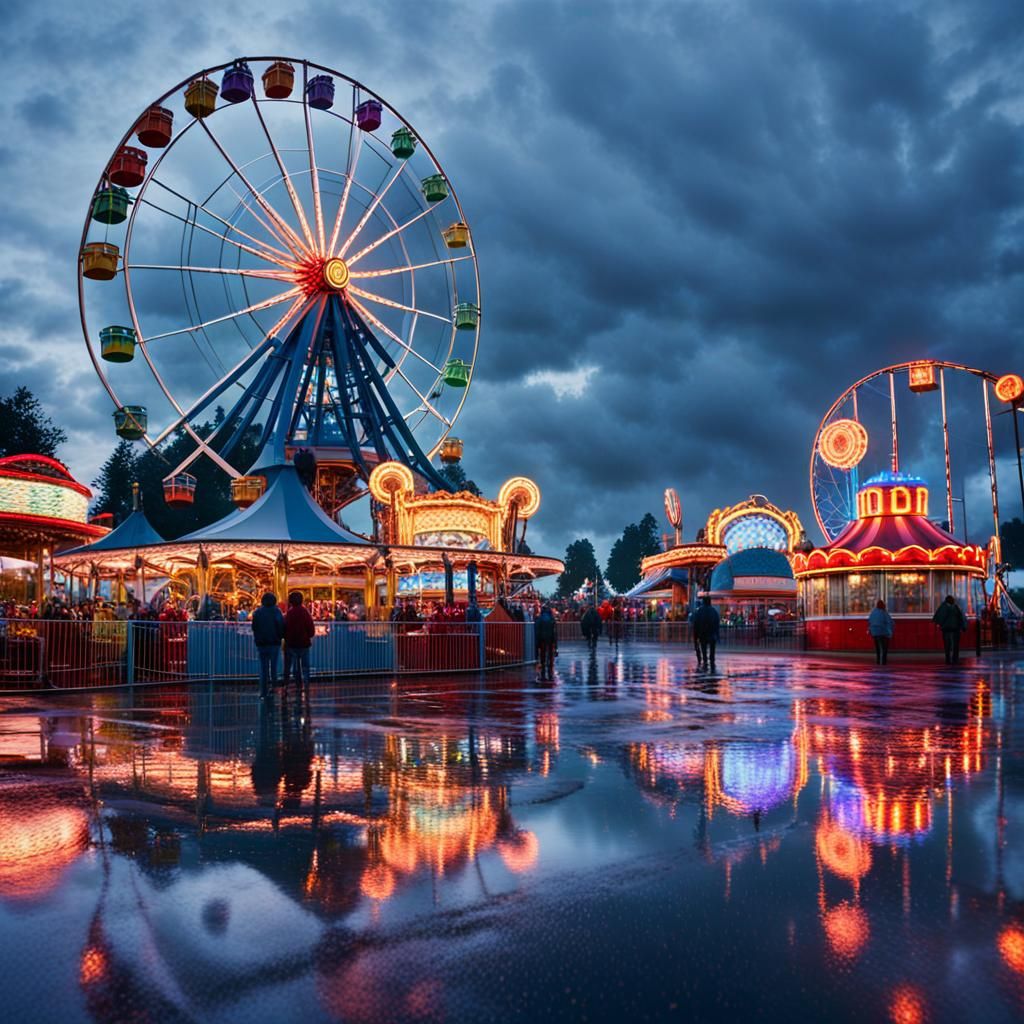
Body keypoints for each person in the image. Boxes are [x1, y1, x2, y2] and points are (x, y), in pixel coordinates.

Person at [251, 592, 285, 698]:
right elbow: (280, 626)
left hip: (261, 643)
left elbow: (254, 627)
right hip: (274, 642)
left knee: (263, 667)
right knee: (274, 666)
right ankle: (273, 687)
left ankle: (263, 689)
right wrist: (280, 636)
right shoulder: (277, 612)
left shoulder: (257, 612)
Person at [284, 591, 315, 691]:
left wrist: (287, 638)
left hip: (292, 644)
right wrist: (308, 636)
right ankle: (306, 683)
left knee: (295, 664)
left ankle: (297, 683)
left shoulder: (289, 613)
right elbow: (311, 628)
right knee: (305, 665)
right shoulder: (305, 612)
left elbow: (285, 628)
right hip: (304, 643)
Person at [933, 594, 967, 665]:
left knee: (947, 645)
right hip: (956, 629)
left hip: (946, 629)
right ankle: (955, 659)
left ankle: (948, 659)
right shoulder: (956, 607)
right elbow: (961, 617)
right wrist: (963, 627)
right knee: (955, 645)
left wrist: (938, 624)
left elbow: (940, 617)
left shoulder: (943, 607)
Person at [692, 595, 720, 671]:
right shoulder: (714, 611)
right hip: (712, 634)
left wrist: (695, 637)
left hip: (702, 634)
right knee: (712, 649)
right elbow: (717, 624)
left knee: (704, 649)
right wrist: (717, 635)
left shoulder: (699, 611)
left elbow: (696, 625)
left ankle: (705, 661)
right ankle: (712, 661)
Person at [867, 599, 894, 665]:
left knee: (878, 649)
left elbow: (870, 622)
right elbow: (889, 622)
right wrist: (890, 633)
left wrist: (871, 630)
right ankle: (883, 662)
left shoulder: (873, 613)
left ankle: (878, 661)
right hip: (883, 632)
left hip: (875, 633)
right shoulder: (884, 613)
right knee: (884, 649)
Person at [535, 604, 557, 680]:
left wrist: (537, 641)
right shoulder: (551, 618)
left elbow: (537, 630)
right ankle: (550, 666)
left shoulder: (540, 618)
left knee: (543, 653)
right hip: (550, 638)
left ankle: (543, 664)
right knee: (550, 652)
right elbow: (554, 631)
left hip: (542, 638)